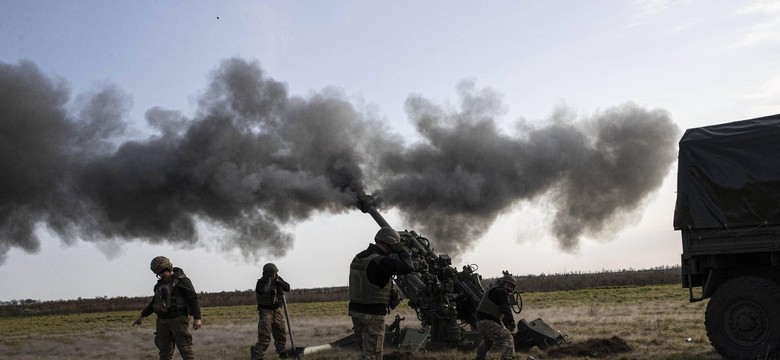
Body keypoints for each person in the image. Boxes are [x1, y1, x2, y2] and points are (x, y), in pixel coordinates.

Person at [348, 227, 414, 360]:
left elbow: (370, 281)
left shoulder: (359, 257)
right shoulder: (382, 261)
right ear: (389, 244)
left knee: (364, 352)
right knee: (373, 355)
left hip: (356, 311)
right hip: (372, 314)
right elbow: (408, 267)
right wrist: (401, 249)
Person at [133, 256, 202, 360]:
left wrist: (197, 318)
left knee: (185, 350)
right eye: (158, 274)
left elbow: (193, 299)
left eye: (162, 272)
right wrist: (142, 315)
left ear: (169, 269)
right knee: (164, 352)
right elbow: (154, 303)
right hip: (162, 322)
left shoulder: (183, 281)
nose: (161, 275)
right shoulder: (159, 285)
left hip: (179, 320)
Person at [251, 263, 291, 360]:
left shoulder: (277, 279)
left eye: (276, 273)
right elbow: (263, 290)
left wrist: (278, 281)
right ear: (267, 273)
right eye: (273, 273)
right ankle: (257, 355)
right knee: (265, 337)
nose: (275, 275)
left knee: (281, 332)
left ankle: (282, 351)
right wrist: (268, 280)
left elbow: (287, 287)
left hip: (276, 310)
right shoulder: (261, 282)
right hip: (265, 311)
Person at [474, 272, 517, 360]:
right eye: (508, 285)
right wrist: (511, 322)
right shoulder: (500, 292)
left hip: (482, 322)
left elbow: (499, 313)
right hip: (487, 322)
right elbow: (505, 307)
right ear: (502, 283)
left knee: (489, 341)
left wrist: (507, 323)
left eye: (512, 287)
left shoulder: (494, 290)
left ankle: (479, 358)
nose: (510, 289)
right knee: (507, 338)